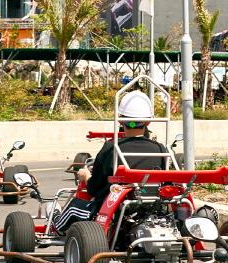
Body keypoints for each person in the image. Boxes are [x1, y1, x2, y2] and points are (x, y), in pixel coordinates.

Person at [52, 90, 168, 233]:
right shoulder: (161, 149)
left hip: (113, 211)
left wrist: (86, 176)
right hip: (150, 208)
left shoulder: (111, 148)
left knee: (75, 207)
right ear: (148, 121)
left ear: (120, 120)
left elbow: (94, 189)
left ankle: (56, 225)